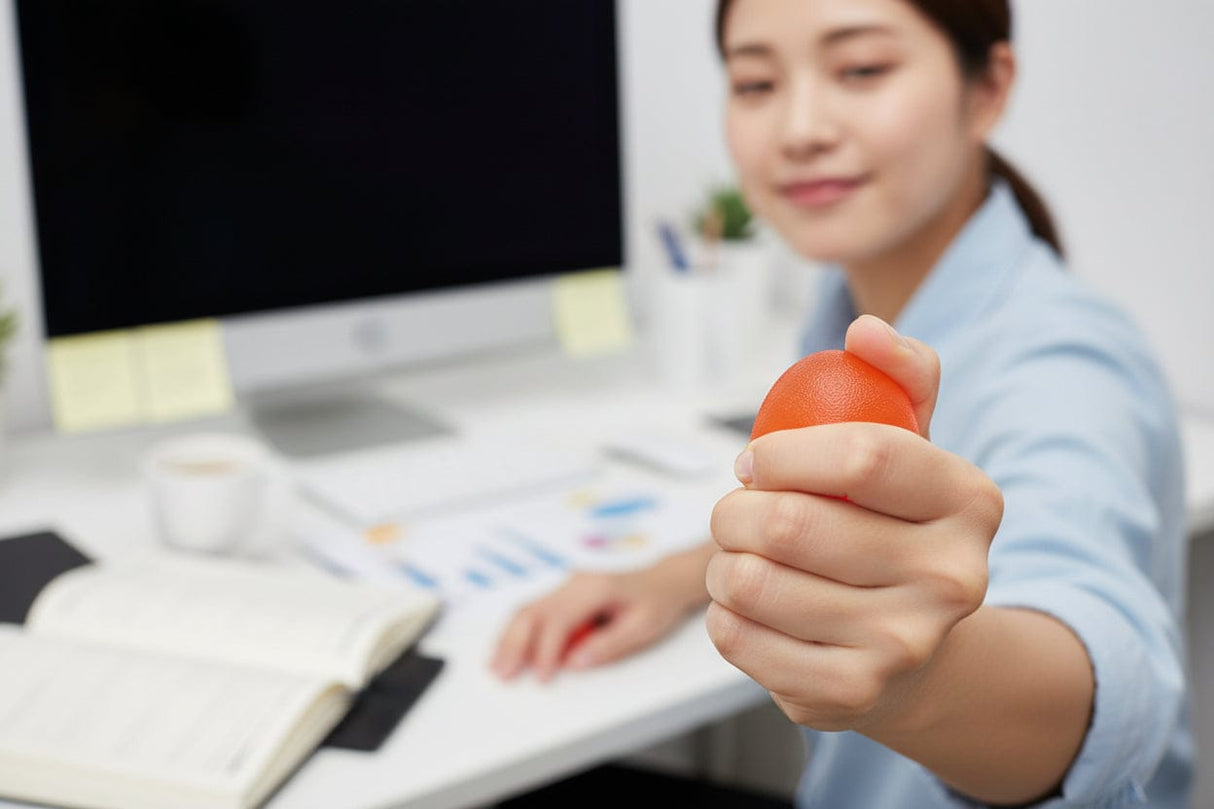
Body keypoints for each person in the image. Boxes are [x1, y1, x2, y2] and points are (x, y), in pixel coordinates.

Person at [490, 1, 1192, 807]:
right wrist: (682, 573)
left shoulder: (1065, 365)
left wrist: (923, 684)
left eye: (861, 69)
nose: (799, 128)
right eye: (756, 82)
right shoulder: (848, 311)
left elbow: (1097, 669)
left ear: (988, 88)